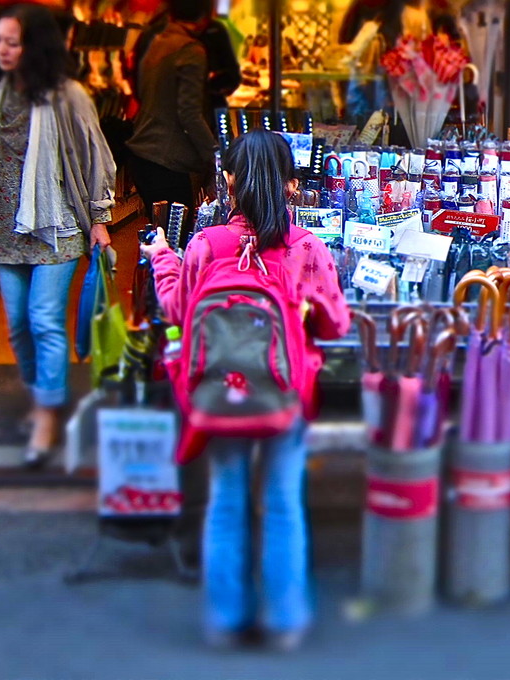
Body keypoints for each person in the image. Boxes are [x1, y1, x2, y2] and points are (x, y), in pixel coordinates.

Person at [141, 130, 349, 651]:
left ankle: (224, 620)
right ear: (292, 186)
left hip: (218, 393)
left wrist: (163, 257)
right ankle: (284, 622)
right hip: (286, 390)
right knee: (281, 502)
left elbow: (178, 311)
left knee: (226, 500)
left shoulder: (204, 246)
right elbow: (336, 325)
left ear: (228, 181)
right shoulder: (307, 248)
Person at [0, 4, 116, 467]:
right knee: (18, 324)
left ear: (37, 45)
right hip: (5, 227)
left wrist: (100, 217)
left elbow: (94, 157)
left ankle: (47, 413)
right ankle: (39, 393)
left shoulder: (68, 96)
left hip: (56, 226)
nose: (3, 50)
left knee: (44, 319)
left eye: (14, 41)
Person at [128, 0, 220, 216]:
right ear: (204, 13)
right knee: (175, 241)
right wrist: (216, 156)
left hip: (143, 153)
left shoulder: (159, 42)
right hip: (167, 160)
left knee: (160, 238)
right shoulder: (191, 51)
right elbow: (189, 113)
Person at [335, 0, 428, 124]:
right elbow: (337, 69)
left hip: (403, 116)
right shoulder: (346, 22)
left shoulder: (412, 20)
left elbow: (424, 71)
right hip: (355, 116)